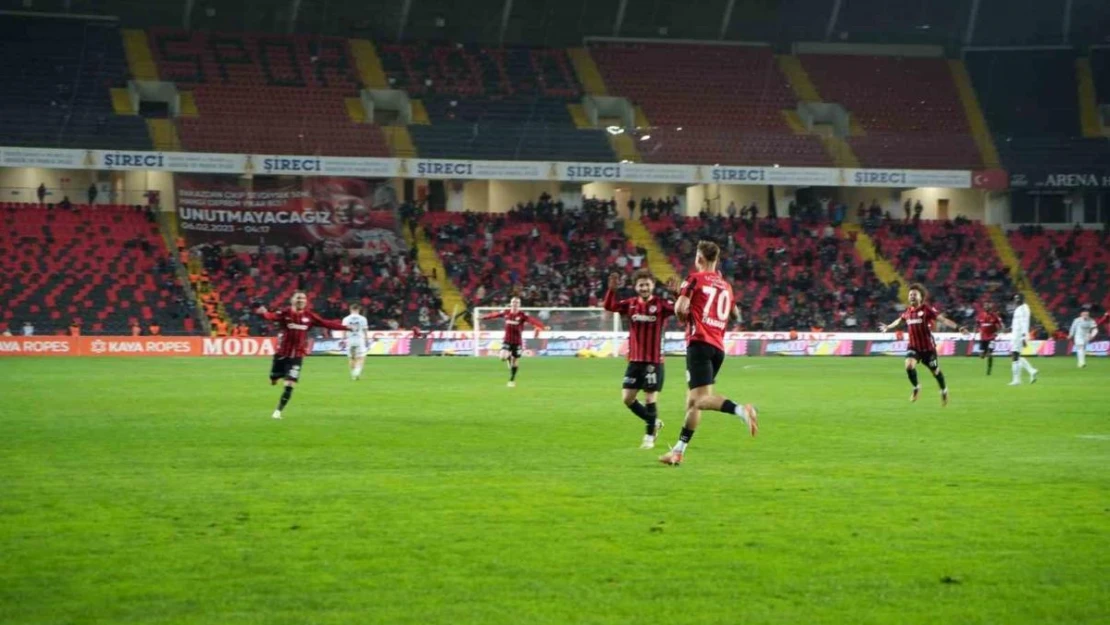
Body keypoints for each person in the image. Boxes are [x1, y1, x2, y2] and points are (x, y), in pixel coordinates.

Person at [659, 241, 758, 466]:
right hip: (717, 347)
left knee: (701, 400)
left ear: (700, 258)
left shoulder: (694, 279)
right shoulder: (725, 285)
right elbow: (736, 315)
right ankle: (678, 452)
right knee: (693, 402)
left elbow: (680, 311)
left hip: (699, 344)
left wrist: (679, 298)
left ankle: (742, 410)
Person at [603, 269, 677, 449]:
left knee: (650, 398)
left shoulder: (661, 305)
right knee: (627, 399)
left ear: (653, 285)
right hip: (635, 360)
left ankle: (649, 437)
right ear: (636, 287)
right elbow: (609, 307)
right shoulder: (630, 304)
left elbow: (682, 309)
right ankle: (654, 422)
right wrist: (611, 290)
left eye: (647, 284)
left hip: (654, 361)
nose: (644, 287)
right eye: (641, 285)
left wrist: (676, 293)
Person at [254, 291, 350, 419]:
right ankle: (274, 378)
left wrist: (346, 327)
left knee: (289, 384)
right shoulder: (285, 313)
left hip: (297, 356)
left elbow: (326, 323)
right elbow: (270, 316)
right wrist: (263, 313)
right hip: (282, 354)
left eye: (303, 298)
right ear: (292, 300)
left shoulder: (309, 316)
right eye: (298, 298)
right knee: (273, 379)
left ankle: (277, 412)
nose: (301, 300)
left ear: (306, 301)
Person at [880, 283, 959, 405]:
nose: (911, 296)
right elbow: (900, 320)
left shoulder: (927, 309)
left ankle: (944, 390)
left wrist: (958, 327)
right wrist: (888, 326)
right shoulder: (908, 312)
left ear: (920, 297)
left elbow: (942, 319)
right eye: (910, 294)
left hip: (928, 350)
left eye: (914, 294)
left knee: (935, 371)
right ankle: (916, 387)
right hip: (914, 348)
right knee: (909, 366)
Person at [480, 297, 545, 388]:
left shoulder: (522, 315)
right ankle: (508, 357)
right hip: (507, 340)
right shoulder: (506, 312)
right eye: (513, 302)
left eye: (517, 302)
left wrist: (542, 326)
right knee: (502, 357)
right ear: (511, 303)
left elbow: (532, 321)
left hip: (517, 342)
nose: (515, 304)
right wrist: (484, 317)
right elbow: (496, 315)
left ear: (519, 305)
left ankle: (512, 380)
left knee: (515, 362)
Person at [1008, 293, 1038, 385]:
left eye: (1017, 299)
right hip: (1015, 335)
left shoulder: (1024, 309)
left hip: (1019, 336)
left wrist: (1023, 337)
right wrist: (1010, 328)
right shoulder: (1019, 308)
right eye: (1015, 299)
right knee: (1017, 355)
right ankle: (1031, 371)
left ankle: (1016, 380)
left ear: (1022, 299)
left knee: (1014, 355)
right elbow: (1017, 323)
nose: (1016, 300)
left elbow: (1024, 323)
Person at [342, 302, 370, 381]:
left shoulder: (346, 319)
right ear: (358, 310)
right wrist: (366, 339)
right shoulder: (363, 319)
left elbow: (343, 330)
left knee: (351, 358)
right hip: (359, 340)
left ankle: (353, 375)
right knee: (361, 357)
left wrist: (343, 339)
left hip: (350, 340)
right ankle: (357, 372)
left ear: (350, 309)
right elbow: (365, 330)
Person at [976, 301, 1004, 375]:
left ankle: (989, 369)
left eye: (987, 305)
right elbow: (977, 324)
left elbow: (1000, 326)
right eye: (985, 306)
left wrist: (997, 333)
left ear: (990, 307)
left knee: (990, 354)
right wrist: (978, 331)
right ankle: (985, 354)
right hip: (983, 338)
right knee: (981, 356)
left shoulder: (994, 316)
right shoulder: (980, 315)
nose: (986, 307)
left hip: (991, 337)